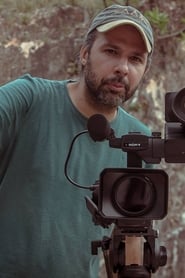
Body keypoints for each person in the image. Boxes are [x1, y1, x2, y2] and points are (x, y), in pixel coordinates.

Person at [0, 4, 154, 278]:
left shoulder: (139, 143)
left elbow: (130, 250)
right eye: (111, 51)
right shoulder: (28, 100)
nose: (122, 68)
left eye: (136, 59)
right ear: (85, 54)